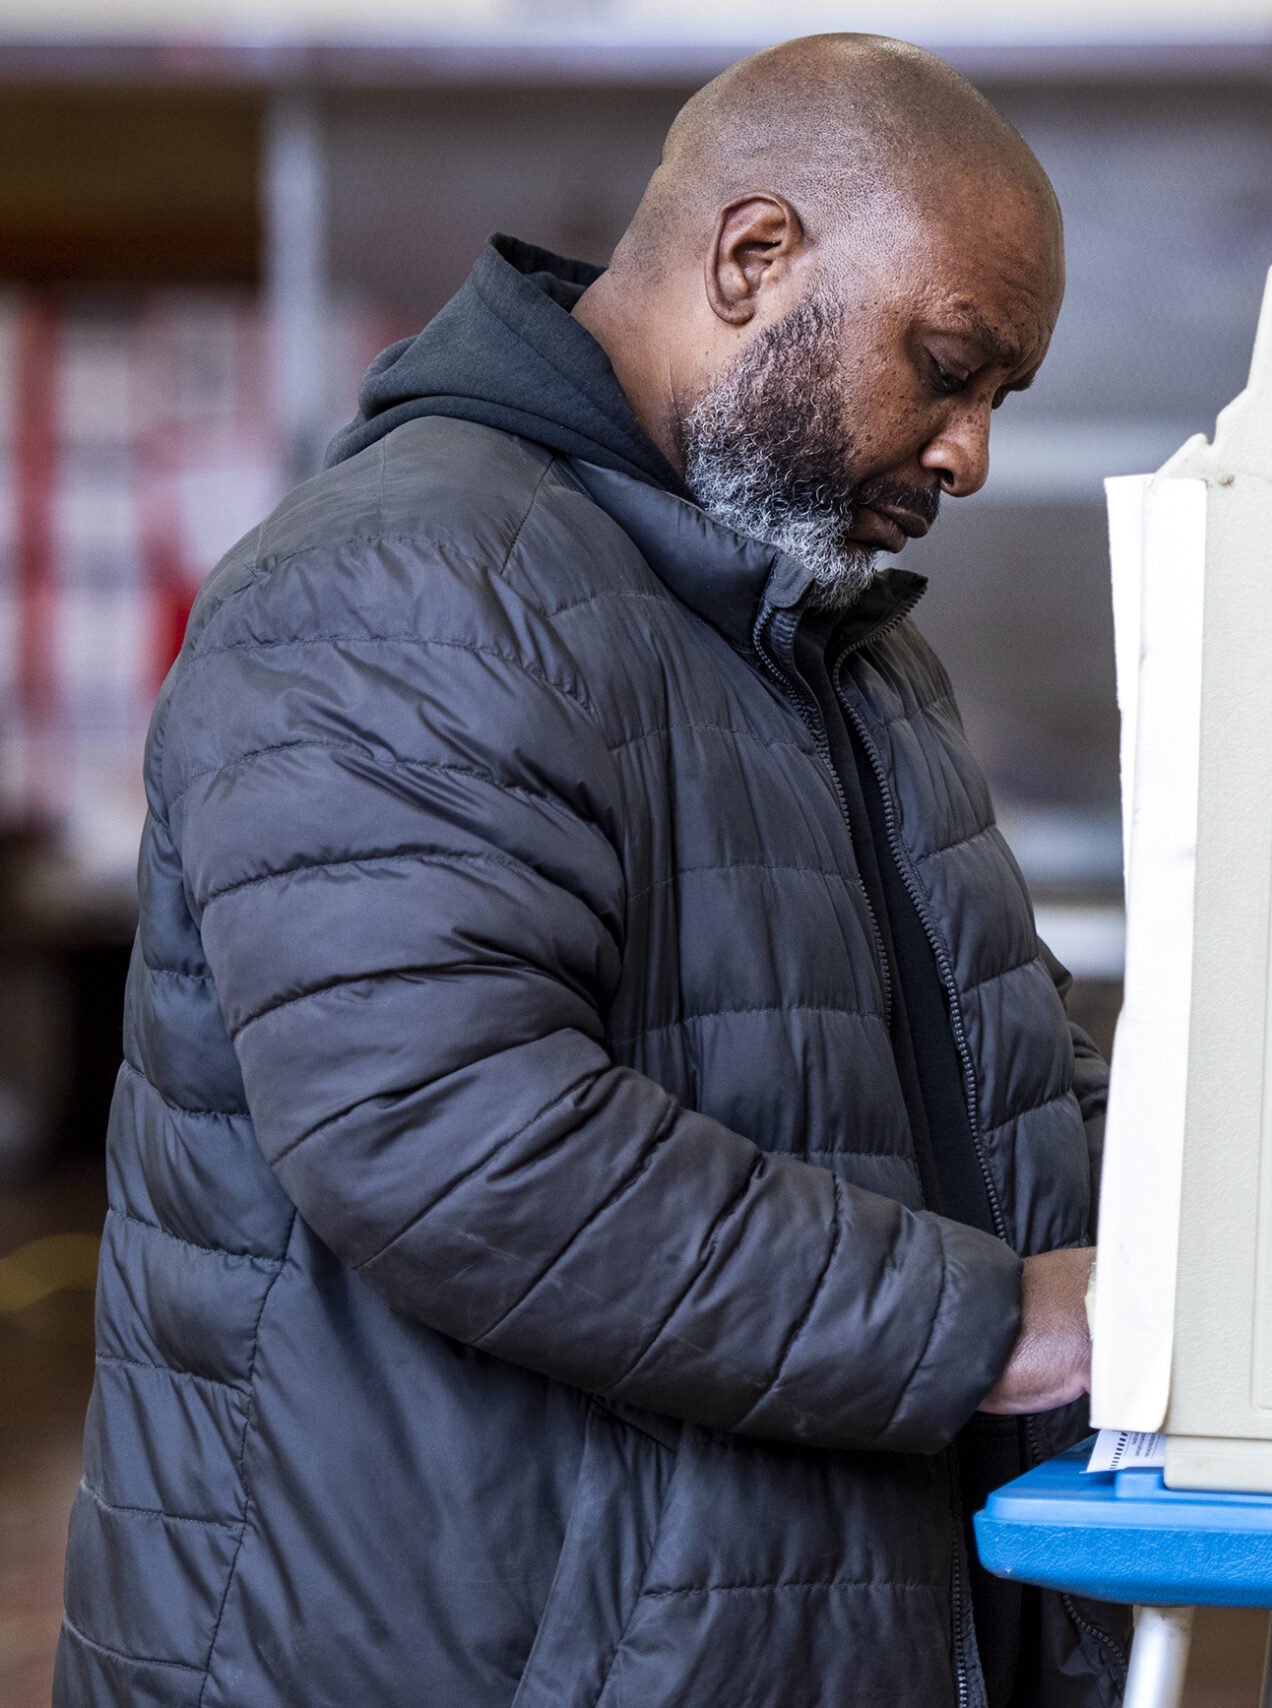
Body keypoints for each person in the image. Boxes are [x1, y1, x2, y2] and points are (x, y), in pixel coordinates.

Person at [55, 35, 1123, 1708]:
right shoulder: (403, 584)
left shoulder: (827, 635)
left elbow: (1003, 1070)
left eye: (1000, 401)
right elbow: (454, 1141)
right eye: (947, 367)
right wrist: (996, 1329)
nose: (969, 453)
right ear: (755, 257)